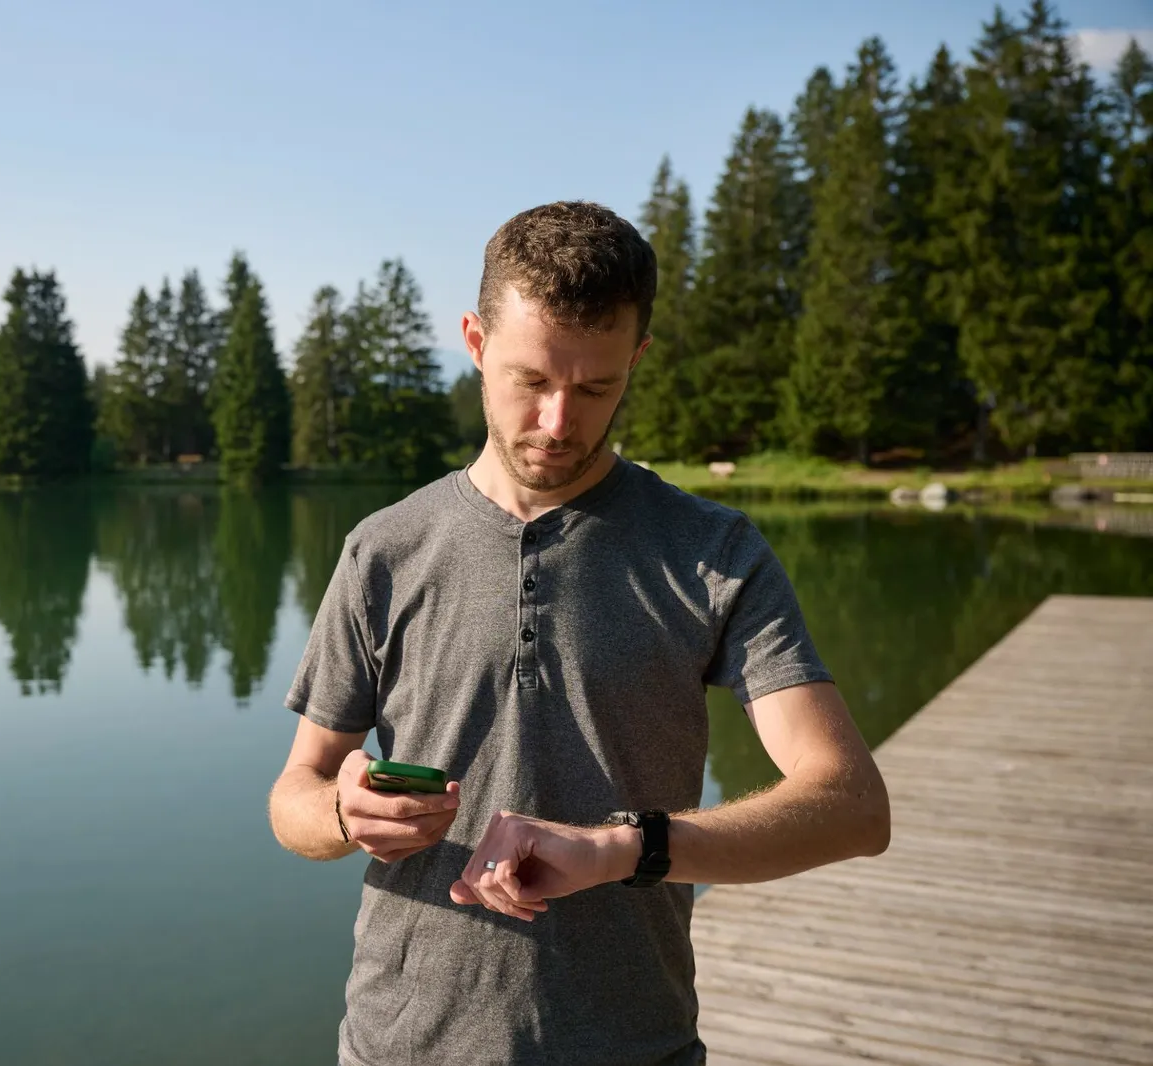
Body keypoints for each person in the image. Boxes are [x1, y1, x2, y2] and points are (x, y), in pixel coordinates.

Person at [267, 201, 890, 1066]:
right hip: (396, 1046)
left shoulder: (714, 553)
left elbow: (853, 809)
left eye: (596, 387)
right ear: (477, 343)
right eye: (531, 380)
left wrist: (620, 850)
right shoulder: (384, 550)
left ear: (636, 360)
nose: (560, 422)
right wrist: (343, 809)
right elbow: (293, 798)